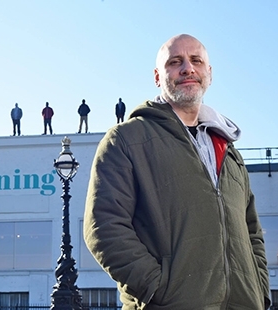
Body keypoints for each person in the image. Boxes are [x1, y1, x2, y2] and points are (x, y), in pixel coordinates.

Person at [83, 34, 270, 310]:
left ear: (209, 73)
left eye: (196, 60)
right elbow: (103, 226)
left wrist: (260, 289)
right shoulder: (126, 139)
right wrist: (159, 289)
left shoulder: (229, 151)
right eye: (175, 62)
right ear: (158, 77)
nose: (187, 68)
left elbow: (252, 231)